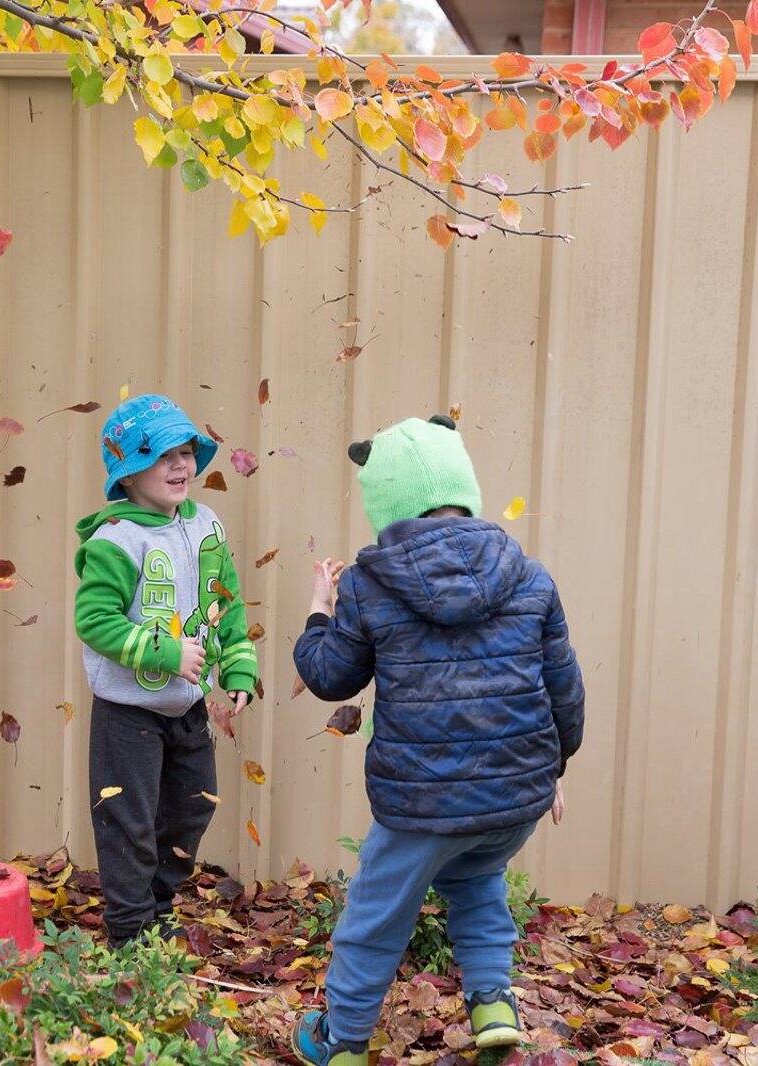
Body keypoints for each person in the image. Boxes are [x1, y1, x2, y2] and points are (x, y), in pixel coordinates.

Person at [290, 413, 585, 1063]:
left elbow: (330, 677)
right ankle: (493, 1006)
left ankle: (340, 1041)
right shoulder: (529, 576)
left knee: (376, 913)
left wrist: (319, 608)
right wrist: (555, 766)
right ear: (464, 486)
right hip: (515, 793)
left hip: (420, 803)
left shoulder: (369, 586)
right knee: (477, 883)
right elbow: (564, 687)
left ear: (385, 498)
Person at [73, 394, 260, 947]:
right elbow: (94, 619)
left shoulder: (206, 525)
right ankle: (130, 935)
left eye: (186, 452)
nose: (181, 465)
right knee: (127, 822)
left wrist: (238, 667)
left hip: (187, 707)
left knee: (191, 807)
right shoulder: (116, 541)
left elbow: (224, 598)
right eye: (162, 457)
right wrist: (165, 653)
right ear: (128, 474)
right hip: (127, 713)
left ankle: (157, 908)